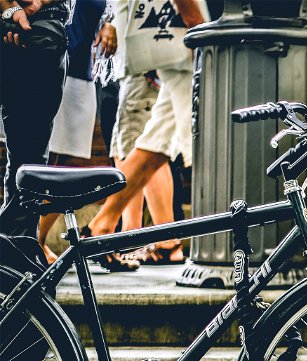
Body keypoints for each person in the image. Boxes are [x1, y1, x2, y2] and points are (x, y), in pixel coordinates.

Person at [83, 0, 205, 270]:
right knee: (200, 140)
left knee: (157, 140)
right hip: (178, 41)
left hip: (165, 43)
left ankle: (105, 226)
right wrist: (198, 25)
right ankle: (225, 241)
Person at [38, 0, 116, 262]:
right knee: (49, 160)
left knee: (66, 162)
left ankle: (36, 238)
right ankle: (32, 240)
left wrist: (108, 23)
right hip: (59, 62)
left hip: (81, 69)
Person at [0, 0, 72, 238]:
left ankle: (15, 254)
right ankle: (17, 256)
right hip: (40, 29)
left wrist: (10, 9)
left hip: (36, 29)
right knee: (28, 159)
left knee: (26, 160)